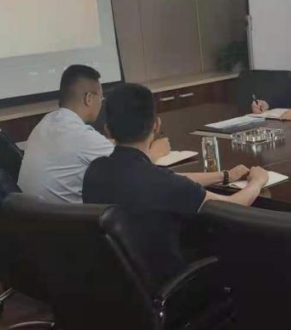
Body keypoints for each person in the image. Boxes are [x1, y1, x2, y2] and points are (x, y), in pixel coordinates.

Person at [83, 83, 270, 281]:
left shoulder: (95, 171)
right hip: (173, 286)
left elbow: (166, 178)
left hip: (120, 287)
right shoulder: (160, 182)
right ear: (156, 125)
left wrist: (224, 175)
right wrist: (257, 182)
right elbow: (231, 207)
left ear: (107, 131)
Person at [19, 65, 166, 203]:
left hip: (33, 216)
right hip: (72, 218)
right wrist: (154, 153)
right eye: (100, 98)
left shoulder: (45, 123)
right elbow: (134, 168)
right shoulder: (81, 136)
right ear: (88, 98)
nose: (101, 104)